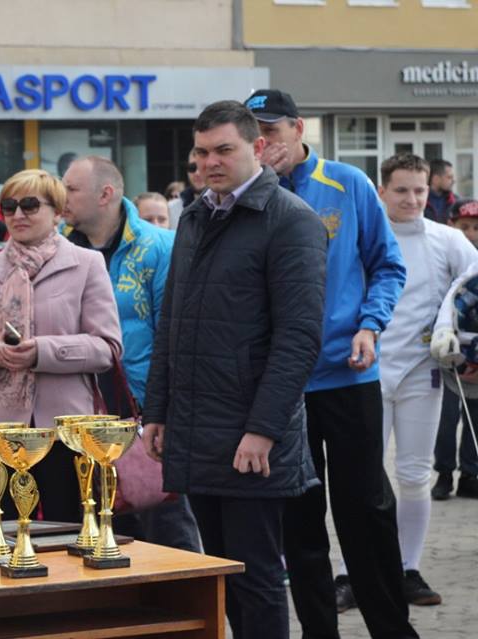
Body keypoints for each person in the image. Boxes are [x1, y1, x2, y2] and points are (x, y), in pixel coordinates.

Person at [141, 100, 327, 639]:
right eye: (201, 152)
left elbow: (298, 339)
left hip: (252, 436)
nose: (210, 162)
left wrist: (263, 430)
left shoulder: (292, 220)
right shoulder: (196, 216)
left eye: (224, 149)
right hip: (197, 430)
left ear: (259, 148)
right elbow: (172, 323)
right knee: (221, 574)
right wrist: (158, 411)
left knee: (258, 578)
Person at [246, 88, 418, 639]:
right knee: (299, 521)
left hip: (348, 373)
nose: (263, 142)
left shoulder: (347, 183)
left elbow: (387, 265)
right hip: (281, 385)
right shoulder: (248, 196)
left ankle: (392, 629)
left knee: (366, 510)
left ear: (298, 129)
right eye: (254, 132)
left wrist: (370, 324)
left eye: (271, 130)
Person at [332, 153, 476, 609]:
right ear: (381, 191)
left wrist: (461, 336)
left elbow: (474, 287)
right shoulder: (360, 237)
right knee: (360, 477)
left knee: (414, 475)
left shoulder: (448, 240)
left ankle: (406, 570)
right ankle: (351, 573)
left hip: (421, 372)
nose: (412, 199)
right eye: (401, 190)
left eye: (419, 190)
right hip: (363, 373)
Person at [0, 168, 122, 523]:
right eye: (9, 206)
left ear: (57, 212)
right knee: (3, 536)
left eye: (30, 205)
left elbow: (107, 348)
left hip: (65, 432)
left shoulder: (86, 264)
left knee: (70, 534)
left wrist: (42, 352)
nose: (18, 214)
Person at [61, 156, 199, 552]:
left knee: (165, 528)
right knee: (99, 533)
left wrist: (162, 411)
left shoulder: (159, 247)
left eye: (71, 189)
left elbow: (173, 338)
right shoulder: (57, 247)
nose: (61, 197)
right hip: (78, 413)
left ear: (105, 194)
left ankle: (187, 593)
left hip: (141, 411)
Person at [433, 199, 478, 502]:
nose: (471, 233)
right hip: (447, 354)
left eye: (476, 228)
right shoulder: (443, 258)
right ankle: (444, 473)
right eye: (465, 227)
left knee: (476, 418)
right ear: (451, 226)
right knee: (446, 417)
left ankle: (470, 474)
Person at [425, 160, 457, 224]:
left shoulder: (456, 201)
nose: (454, 181)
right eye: (449, 177)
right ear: (436, 179)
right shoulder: (419, 202)